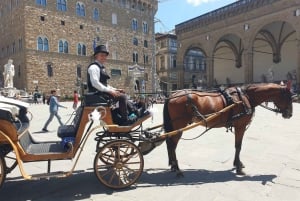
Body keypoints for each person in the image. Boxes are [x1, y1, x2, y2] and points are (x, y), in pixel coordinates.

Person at [87, 44, 136, 126]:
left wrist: (115, 89)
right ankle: (125, 120)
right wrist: (110, 91)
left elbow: (104, 84)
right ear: (96, 56)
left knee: (122, 94)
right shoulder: (94, 68)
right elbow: (95, 83)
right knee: (122, 97)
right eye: (101, 55)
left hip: (100, 93)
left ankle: (133, 112)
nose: (104, 57)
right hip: (97, 95)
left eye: (105, 56)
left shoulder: (100, 67)